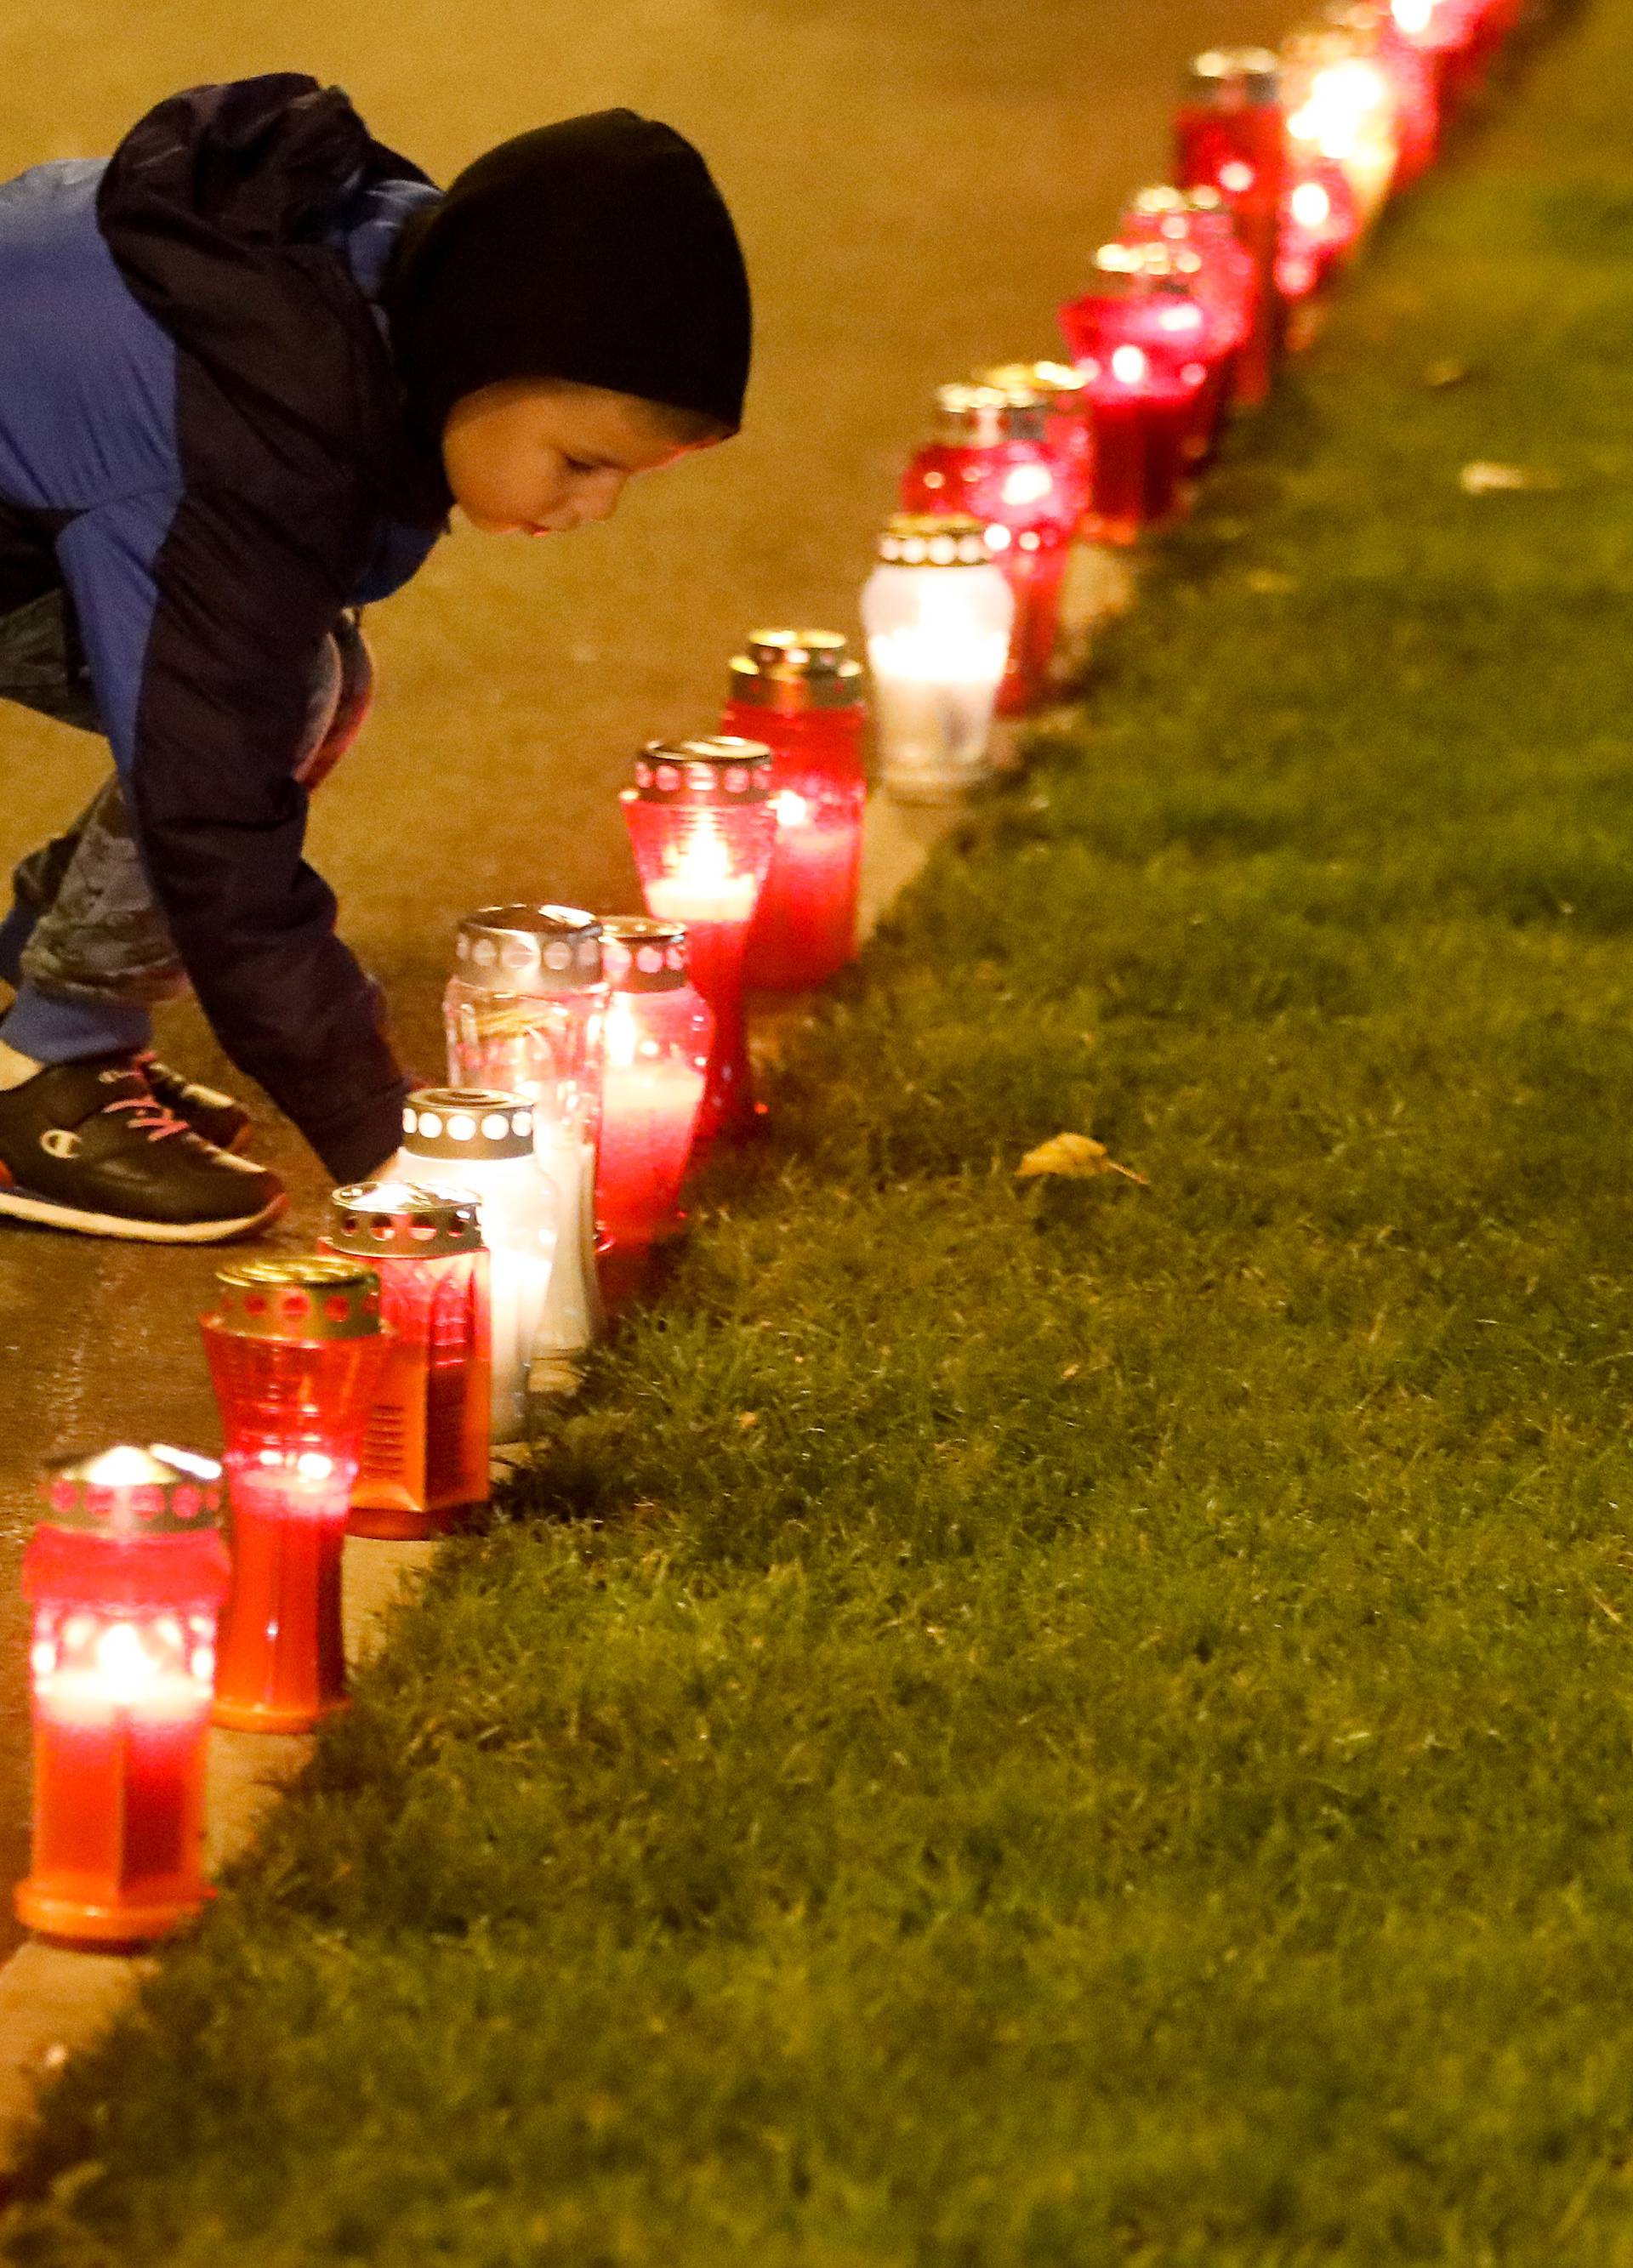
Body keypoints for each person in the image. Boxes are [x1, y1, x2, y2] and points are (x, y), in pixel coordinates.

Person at [0, 74, 751, 1241]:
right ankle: (48, 1085)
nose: (595, 511)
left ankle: (55, 997)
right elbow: (212, 809)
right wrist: (380, 1135)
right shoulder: (246, 432)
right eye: (583, 461)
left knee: (304, 680)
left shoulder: (356, 304)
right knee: (266, 705)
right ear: (485, 361)